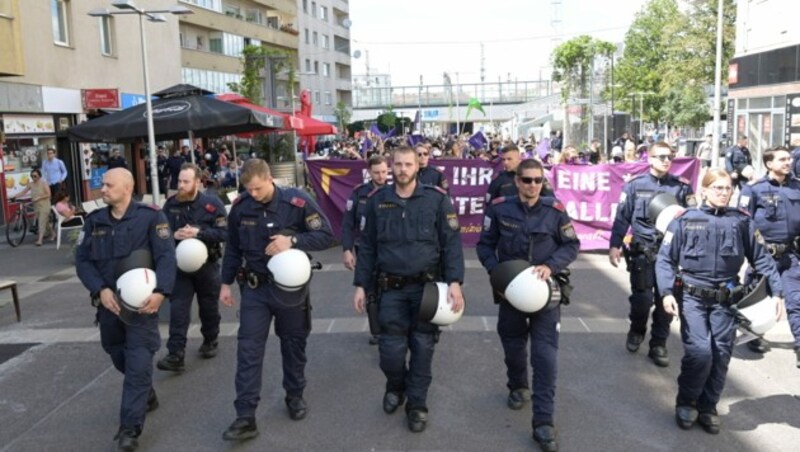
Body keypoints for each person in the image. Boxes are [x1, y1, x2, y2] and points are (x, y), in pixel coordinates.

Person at [656, 168, 783, 434]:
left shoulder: (741, 221)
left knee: (721, 354)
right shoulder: (684, 220)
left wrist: (777, 294)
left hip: (726, 299)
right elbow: (665, 259)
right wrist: (667, 292)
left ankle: (708, 406)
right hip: (693, 297)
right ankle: (687, 401)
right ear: (704, 190)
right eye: (718, 188)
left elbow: (762, 259)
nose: (724, 193)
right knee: (700, 352)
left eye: (728, 188)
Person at [352, 145, 464, 433]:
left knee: (423, 348)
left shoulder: (436, 200)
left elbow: (451, 244)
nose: (402, 169)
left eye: (408, 165)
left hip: (427, 289)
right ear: (391, 167)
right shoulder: (377, 201)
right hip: (390, 289)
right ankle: (396, 386)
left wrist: (455, 283)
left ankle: (417, 405)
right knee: (390, 351)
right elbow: (367, 247)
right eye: (398, 164)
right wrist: (361, 286)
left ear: (417, 167)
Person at [219, 158, 333, 441]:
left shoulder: (297, 201)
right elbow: (232, 247)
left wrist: (291, 241)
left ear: (269, 179)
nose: (253, 195)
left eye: (257, 189)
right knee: (248, 351)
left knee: (293, 344)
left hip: (290, 289)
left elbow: (326, 236)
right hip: (255, 289)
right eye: (248, 189)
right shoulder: (241, 207)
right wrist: (224, 283)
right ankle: (245, 416)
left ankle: (294, 394)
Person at [476, 158, 580, 452]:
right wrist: (497, 272)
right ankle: (517, 385)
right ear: (517, 181)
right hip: (511, 293)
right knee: (512, 344)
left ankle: (544, 422)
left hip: (547, 294)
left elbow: (572, 245)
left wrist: (551, 265)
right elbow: (485, 245)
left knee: (545, 356)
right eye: (527, 180)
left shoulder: (555, 210)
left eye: (538, 180)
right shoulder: (499, 208)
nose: (533, 185)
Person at [75, 168, 177, 451]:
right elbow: (82, 261)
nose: (102, 189)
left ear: (126, 188)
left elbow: (167, 257)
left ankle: (129, 429)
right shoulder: (94, 221)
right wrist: (100, 289)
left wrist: (161, 293)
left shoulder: (151, 217)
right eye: (102, 185)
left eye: (108, 185)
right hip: (109, 308)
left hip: (142, 308)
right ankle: (146, 392)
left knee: (138, 365)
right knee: (118, 355)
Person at [609, 142, 696, 367]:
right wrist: (614, 245)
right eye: (660, 157)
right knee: (642, 300)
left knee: (665, 301)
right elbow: (622, 217)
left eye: (669, 157)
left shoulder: (681, 187)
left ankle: (658, 343)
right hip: (643, 253)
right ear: (649, 159)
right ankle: (637, 330)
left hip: (670, 254)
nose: (666, 161)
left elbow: (691, 221)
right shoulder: (635, 186)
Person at [156, 164, 227, 372]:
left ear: (198, 182)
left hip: (207, 266)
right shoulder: (170, 205)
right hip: (180, 268)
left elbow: (225, 233)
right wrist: (173, 235)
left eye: (186, 181)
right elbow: (160, 232)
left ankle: (210, 339)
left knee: (208, 307)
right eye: (179, 181)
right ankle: (175, 353)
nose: (180, 185)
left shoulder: (212, 205)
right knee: (178, 310)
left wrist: (199, 232)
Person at [739, 147, 800, 363]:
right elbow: (743, 222)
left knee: (796, 300)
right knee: (756, 299)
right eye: (782, 159)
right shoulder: (754, 189)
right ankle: (753, 335)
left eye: (789, 158)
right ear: (768, 164)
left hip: (791, 255)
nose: (788, 162)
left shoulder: (797, 187)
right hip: (763, 256)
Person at [341, 155, 390, 345]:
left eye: (384, 172)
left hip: (388, 249)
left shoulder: (394, 191)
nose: (381, 176)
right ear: (369, 172)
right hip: (365, 249)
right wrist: (347, 249)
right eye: (377, 172)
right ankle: (376, 331)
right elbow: (347, 224)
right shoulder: (359, 193)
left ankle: (392, 328)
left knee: (389, 289)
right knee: (370, 289)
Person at [13, 169, 55, 246]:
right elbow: (23, 192)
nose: (33, 177)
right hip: (36, 206)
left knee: (41, 222)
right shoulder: (30, 184)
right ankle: (53, 234)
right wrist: (14, 197)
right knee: (44, 222)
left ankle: (40, 240)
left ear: (39, 176)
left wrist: (39, 198)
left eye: (35, 176)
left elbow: (49, 194)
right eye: (32, 176)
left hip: (44, 205)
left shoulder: (43, 183)